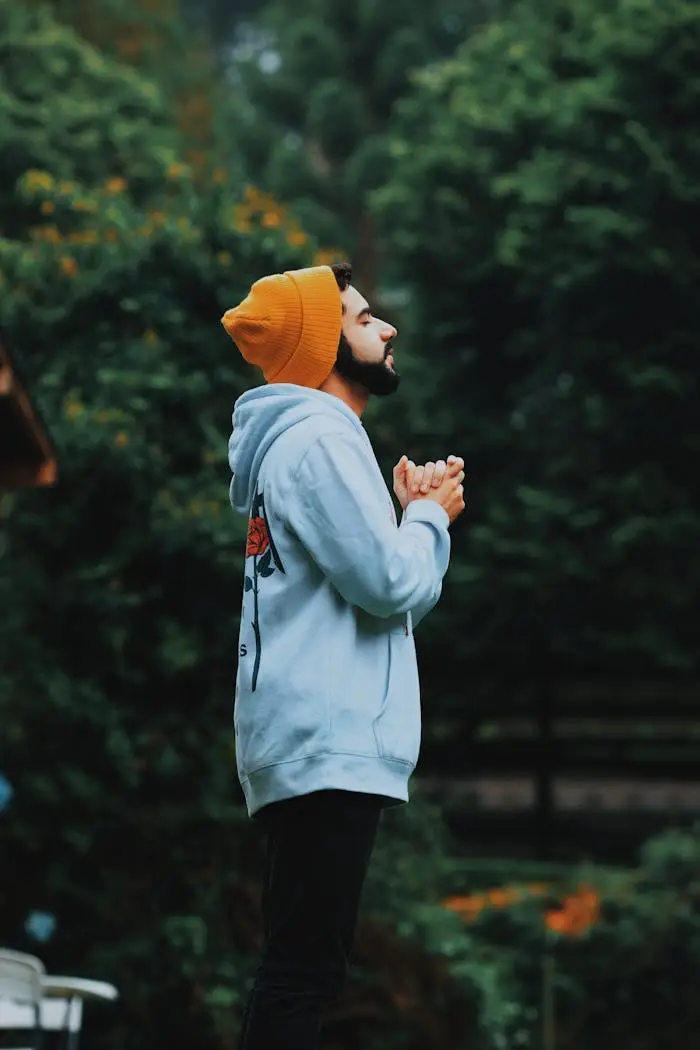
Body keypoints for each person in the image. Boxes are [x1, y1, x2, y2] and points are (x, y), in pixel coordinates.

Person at [221, 262, 465, 1050]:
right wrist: (427, 518)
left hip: (306, 740)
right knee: (301, 972)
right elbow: (391, 584)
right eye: (363, 320)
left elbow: (372, 584)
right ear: (324, 346)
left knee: (300, 966)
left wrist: (405, 517)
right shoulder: (321, 439)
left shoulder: (302, 445)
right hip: (324, 743)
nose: (386, 328)